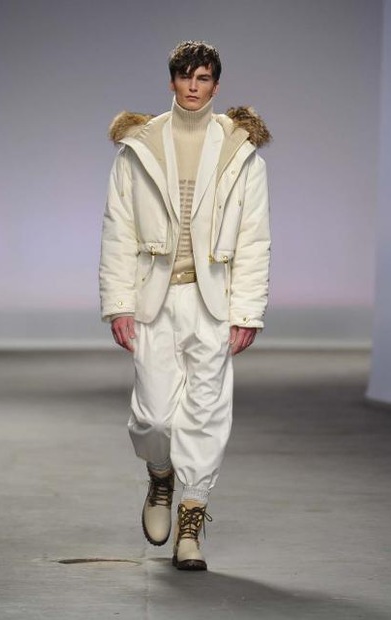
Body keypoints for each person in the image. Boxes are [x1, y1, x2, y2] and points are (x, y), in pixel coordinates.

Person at [99, 40, 271, 571]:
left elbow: (254, 236)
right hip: (154, 297)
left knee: (206, 412)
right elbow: (119, 230)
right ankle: (160, 477)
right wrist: (119, 304)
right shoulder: (140, 145)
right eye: (184, 77)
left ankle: (191, 517)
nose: (193, 87)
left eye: (203, 78)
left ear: (216, 84)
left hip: (212, 299)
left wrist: (247, 310)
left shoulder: (240, 149)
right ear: (171, 80)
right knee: (153, 417)